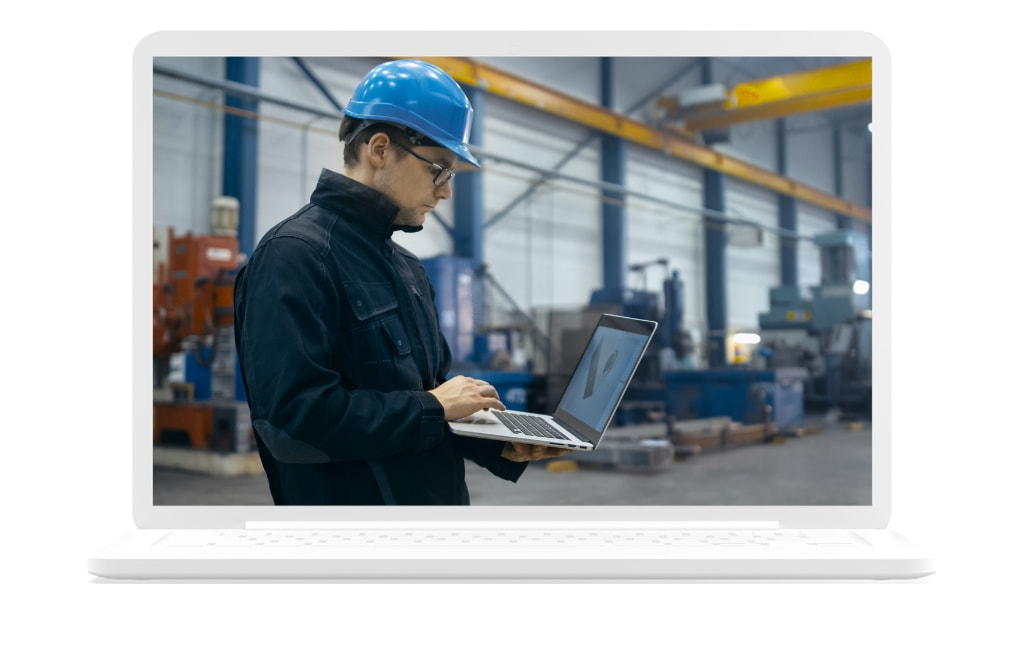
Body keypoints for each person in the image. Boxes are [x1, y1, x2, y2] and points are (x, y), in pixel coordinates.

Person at [233, 59, 569, 505]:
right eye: (439, 169)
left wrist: (496, 443)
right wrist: (435, 405)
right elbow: (294, 425)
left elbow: (428, 405)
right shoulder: (294, 255)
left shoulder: (407, 267)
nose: (446, 191)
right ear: (379, 149)